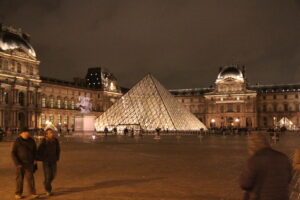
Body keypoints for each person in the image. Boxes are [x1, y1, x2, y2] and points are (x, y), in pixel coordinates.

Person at [239, 132, 292, 200]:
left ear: (252, 146)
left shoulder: (254, 160)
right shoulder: (283, 157)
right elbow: (289, 178)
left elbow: (245, 183)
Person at [11, 127, 39, 199]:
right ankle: (18, 193)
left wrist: (35, 159)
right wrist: (17, 163)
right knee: (19, 179)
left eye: (28, 132)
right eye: (25, 132)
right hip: (20, 164)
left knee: (30, 179)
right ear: (21, 134)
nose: (27, 133)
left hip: (29, 163)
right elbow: (13, 153)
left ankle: (33, 193)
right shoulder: (17, 141)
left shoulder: (31, 141)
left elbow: (35, 151)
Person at [37, 128, 60, 196]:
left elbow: (58, 149)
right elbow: (39, 151)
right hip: (46, 161)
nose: (51, 134)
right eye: (49, 133)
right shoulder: (44, 141)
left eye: (52, 132)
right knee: (47, 176)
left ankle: (46, 183)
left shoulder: (55, 140)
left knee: (53, 175)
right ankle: (48, 190)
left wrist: (57, 157)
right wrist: (41, 158)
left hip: (53, 160)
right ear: (46, 134)